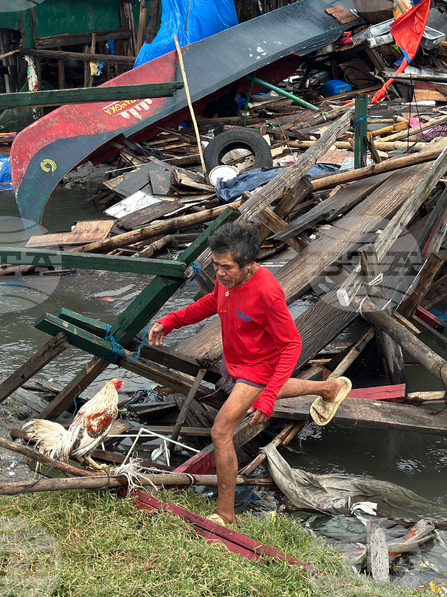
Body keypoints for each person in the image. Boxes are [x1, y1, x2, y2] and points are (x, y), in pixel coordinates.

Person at [148, 222, 352, 526]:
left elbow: (292, 344)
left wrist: (268, 398)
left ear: (248, 263)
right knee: (265, 392)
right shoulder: (226, 281)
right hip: (237, 360)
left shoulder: (267, 293)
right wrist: (171, 321)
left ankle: (225, 515)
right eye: (216, 265)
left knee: (221, 431)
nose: (219, 273)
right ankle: (329, 389)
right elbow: (212, 302)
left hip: (258, 367)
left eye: (226, 267)